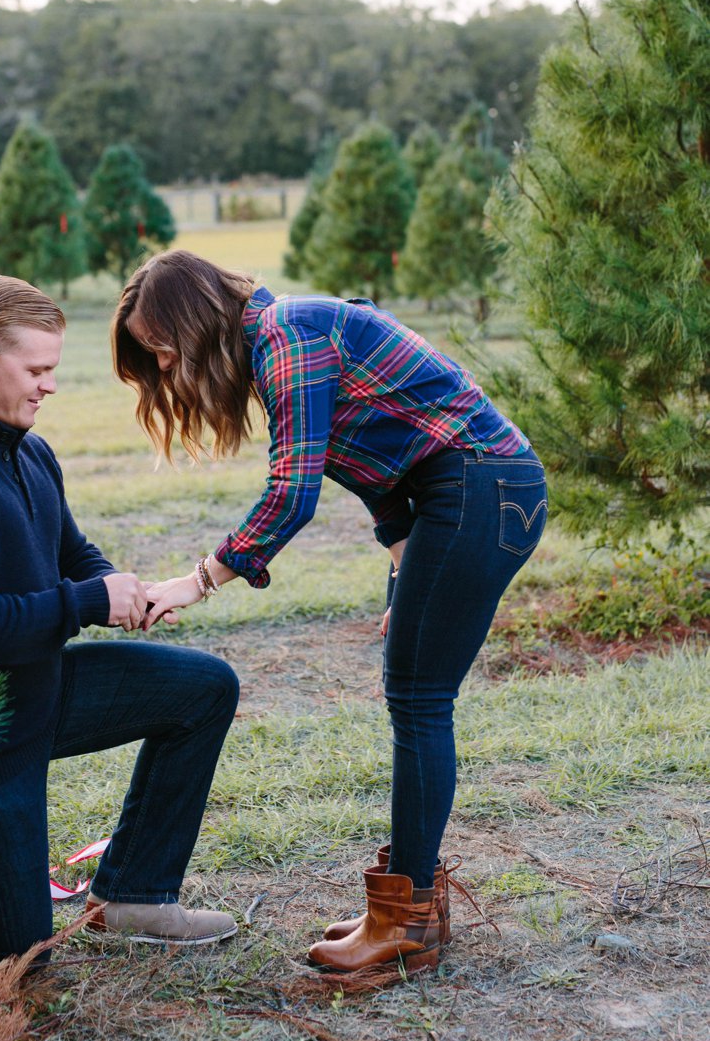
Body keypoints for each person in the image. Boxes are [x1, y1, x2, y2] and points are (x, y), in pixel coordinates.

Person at [112, 250, 548, 974]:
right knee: (412, 694)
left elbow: (294, 493)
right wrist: (403, 571)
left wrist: (200, 579)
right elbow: (384, 465)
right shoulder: (285, 338)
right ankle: (412, 908)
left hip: (479, 488)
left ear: (192, 325)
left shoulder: (285, 337)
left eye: (163, 353)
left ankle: (402, 918)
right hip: (475, 490)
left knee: (419, 699)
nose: (164, 373)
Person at [0, 275, 239, 971]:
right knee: (17, 954)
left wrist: (116, 588)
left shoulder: (28, 449)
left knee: (205, 689)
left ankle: (134, 893)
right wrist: (85, 604)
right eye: (38, 369)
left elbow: (70, 553)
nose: (50, 386)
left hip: (38, 689)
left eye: (53, 369)